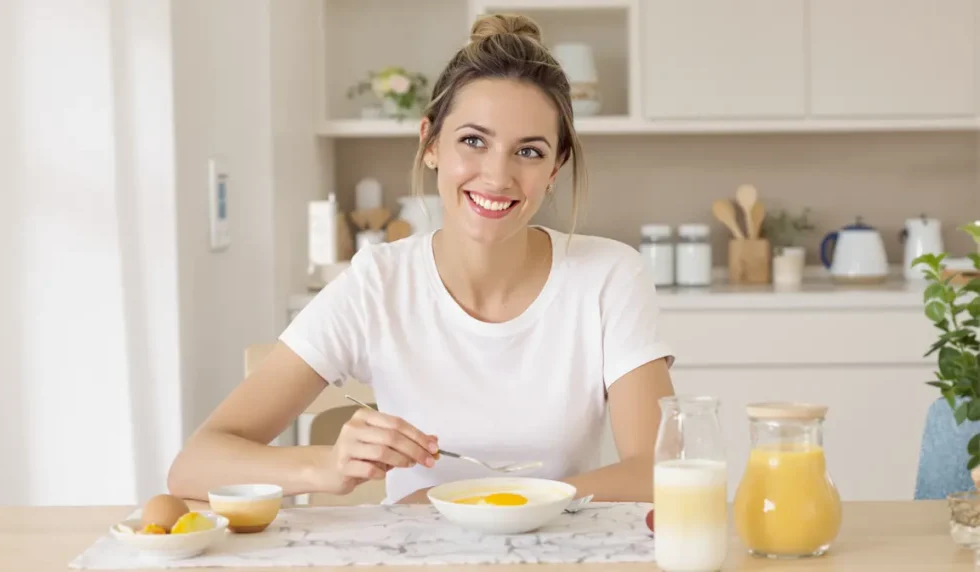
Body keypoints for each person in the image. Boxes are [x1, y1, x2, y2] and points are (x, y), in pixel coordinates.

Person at [167, 13, 675, 506]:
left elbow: (659, 472)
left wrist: (484, 500)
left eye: (529, 151)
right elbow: (194, 466)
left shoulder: (608, 276)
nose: (497, 177)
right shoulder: (377, 283)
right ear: (430, 142)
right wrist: (326, 466)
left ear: (556, 166)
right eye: (473, 141)